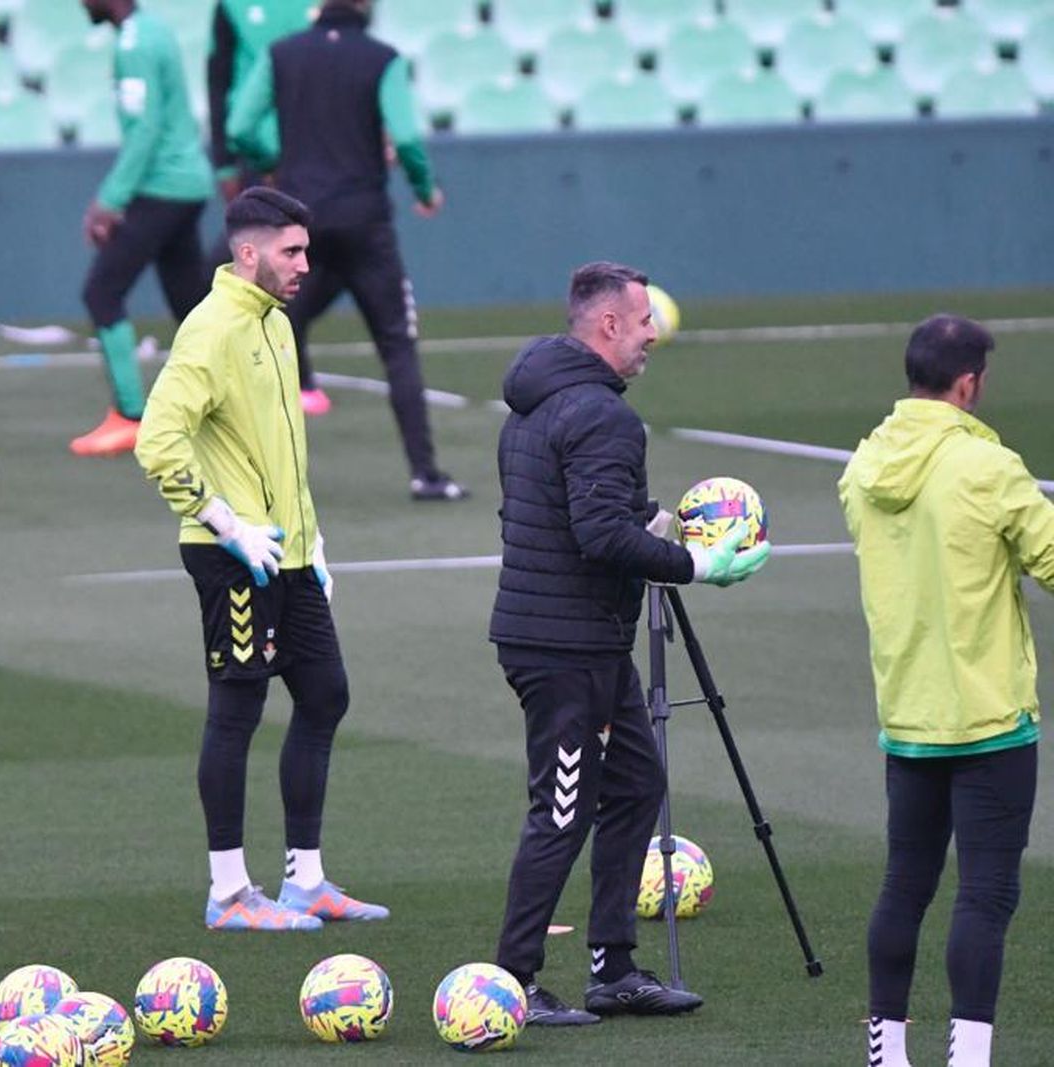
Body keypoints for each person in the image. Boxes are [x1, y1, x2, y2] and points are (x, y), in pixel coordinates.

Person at [488, 261, 769, 1024]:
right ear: (607, 324)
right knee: (562, 809)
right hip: (563, 646)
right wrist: (699, 561)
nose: (653, 334)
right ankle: (512, 982)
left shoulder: (535, 404)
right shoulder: (604, 416)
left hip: (578, 637)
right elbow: (601, 533)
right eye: (644, 320)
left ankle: (613, 967)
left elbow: (560, 515)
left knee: (638, 781)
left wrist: (651, 526)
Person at [134, 187, 388, 931]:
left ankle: (304, 880)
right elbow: (158, 442)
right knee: (237, 712)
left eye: (306, 250)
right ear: (249, 253)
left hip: (291, 554)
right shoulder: (211, 330)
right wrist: (224, 523)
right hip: (233, 558)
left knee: (324, 695)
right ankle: (229, 892)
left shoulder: (274, 322)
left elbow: (276, 450)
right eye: (292, 251)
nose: (306, 264)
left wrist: (313, 543)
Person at [840, 315, 1054, 1067]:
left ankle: (886, 1051)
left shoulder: (864, 467)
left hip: (908, 715)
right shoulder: (988, 468)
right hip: (990, 717)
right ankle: (968, 1058)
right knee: (985, 896)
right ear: (969, 383)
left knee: (906, 885)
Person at [226, 0, 462, 501]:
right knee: (396, 344)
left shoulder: (282, 53)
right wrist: (424, 188)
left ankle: (255, 474)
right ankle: (425, 474)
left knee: (273, 335)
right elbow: (408, 138)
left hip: (300, 221)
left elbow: (241, 125)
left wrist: (274, 161)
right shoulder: (382, 58)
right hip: (364, 224)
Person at [68, 0, 215, 458]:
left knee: (102, 292)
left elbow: (145, 130)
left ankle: (130, 416)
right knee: (190, 301)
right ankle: (237, 402)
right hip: (186, 182)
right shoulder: (155, 29)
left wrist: (110, 200)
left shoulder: (134, 43)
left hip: (163, 186)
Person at [205, 0, 314, 204]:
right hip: (256, 153)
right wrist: (224, 166)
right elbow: (218, 84)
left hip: (317, 151)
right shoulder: (231, 5)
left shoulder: (325, 6)